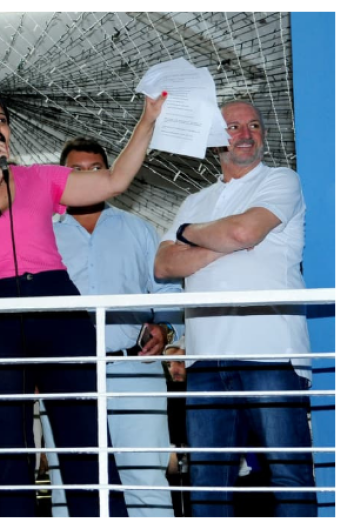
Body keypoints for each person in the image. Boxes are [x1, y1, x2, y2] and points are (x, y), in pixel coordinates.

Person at [0, 92, 165, 516]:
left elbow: (115, 181)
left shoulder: (40, 177)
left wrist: (147, 121)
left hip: (57, 307)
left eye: (1, 118)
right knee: (6, 451)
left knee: (86, 445)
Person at [154, 100, 316, 516]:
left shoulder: (281, 180)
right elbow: (164, 265)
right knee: (207, 484)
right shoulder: (194, 200)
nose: (246, 134)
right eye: (233, 127)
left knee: (289, 476)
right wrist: (228, 242)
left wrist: (187, 234)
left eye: (254, 125)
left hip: (273, 353)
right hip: (205, 359)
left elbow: (243, 231)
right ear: (213, 140)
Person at [52, 137, 182, 517]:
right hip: (65, 374)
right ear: (60, 177)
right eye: (76, 170)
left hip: (134, 368)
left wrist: (166, 331)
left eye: (96, 169)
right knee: (69, 482)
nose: (87, 177)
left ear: (110, 174)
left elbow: (168, 291)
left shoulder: (138, 229)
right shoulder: (42, 233)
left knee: (145, 478)